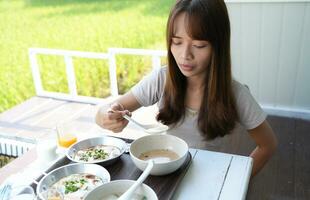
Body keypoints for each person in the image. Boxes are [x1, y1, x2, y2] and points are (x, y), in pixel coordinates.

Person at [95, 0, 277, 177]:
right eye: (176, 42)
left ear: (218, 47)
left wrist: (237, 182)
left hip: (210, 176)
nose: (185, 55)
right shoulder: (161, 79)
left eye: (199, 45)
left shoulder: (236, 94)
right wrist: (107, 115)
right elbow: (106, 110)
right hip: (168, 171)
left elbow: (268, 145)